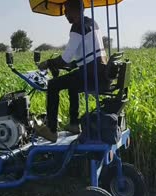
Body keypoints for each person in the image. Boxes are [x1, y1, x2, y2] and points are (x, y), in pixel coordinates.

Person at [35, 0, 109, 142]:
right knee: (73, 83)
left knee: (53, 85)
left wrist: (48, 63)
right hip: (100, 70)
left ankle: (51, 130)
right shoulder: (92, 22)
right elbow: (87, 54)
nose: (65, 14)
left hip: (90, 73)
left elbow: (66, 59)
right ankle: (74, 124)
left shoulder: (77, 26)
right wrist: (71, 64)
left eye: (66, 10)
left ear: (76, 10)